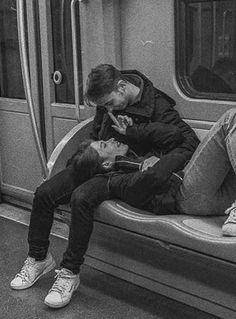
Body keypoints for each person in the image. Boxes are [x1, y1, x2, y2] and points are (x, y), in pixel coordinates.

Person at [10, 64, 199, 308]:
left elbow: (185, 139)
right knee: (45, 192)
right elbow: (97, 133)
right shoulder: (107, 103)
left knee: (81, 197)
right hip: (100, 160)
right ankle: (38, 258)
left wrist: (136, 133)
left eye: (110, 103)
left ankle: (70, 272)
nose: (107, 109)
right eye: (104, 106)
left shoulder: (157, 105)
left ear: (122, 87)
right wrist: (84, 157)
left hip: (124, 168)